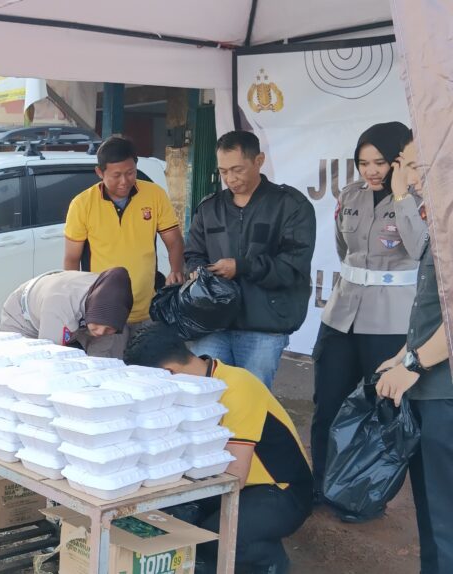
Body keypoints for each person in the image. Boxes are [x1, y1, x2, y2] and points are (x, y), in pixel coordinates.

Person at [125, 322, 312, 574]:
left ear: (167, 372)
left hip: (279, 490)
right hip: (226, 482)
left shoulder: (237, 386)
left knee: (216, 537)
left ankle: (268, 563)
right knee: (170, 519)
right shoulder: (184, 389)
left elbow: (236, 475)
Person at [310, 123, 427, 503]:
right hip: (341, 317)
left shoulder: (419, 201)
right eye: (363, 163)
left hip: (390, 323)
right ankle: (320, 486)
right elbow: (345, 251)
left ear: (398, 161)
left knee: (378, 413)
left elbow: (420, 247)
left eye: (380, 162)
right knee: (327, 404)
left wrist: (402, 196)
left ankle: (362, 495)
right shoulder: (351, 195)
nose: (371, 171)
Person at [184, 131, 316, 389]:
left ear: (259, 161)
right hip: (212, 323)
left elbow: (292, 265)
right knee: (206, 398)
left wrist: (241, 267)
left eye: (237, 169)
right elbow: (193, 253)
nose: (231, 179)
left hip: (263, 325)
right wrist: (198, 272)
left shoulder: (290, 205)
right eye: (223, 172)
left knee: (251, 403)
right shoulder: (210, 206)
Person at [375, 138, 452, 572]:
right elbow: (434, 306)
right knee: (430, 506)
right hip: (430, 386)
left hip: (443, 391)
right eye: (407, 165)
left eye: (419, 166)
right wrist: (405, 353)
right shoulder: (439, 221)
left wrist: (414, 365)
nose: (410, 176)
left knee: (444, 510)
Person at [63, 136, 185, 358]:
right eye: (116, 175)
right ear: (100, 173)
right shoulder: (82, 204)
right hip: (104, 316)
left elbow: (174, 239)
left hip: (146, 309)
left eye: (130, 173)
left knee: (148, 375)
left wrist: (176, 269)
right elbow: (72, 259)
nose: (124, 181)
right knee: (107, 376)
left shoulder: (154, 194)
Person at [0, 268, 133, 355]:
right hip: (22, 316)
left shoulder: (111, 297)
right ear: (90, 313)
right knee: (29, 365)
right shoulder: (60, 306)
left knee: (108, 349)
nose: (100, 332)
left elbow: (105, 357)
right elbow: (49, 356)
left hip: (75, 315)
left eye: (109, 329)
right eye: (96, 326)